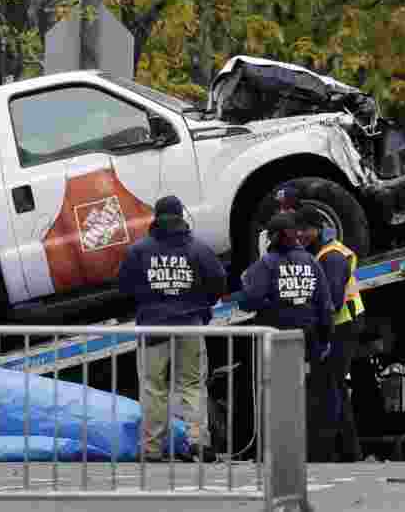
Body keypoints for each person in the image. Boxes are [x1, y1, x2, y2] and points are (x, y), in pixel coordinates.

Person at [118, 196, 228, 462]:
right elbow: (219, 281)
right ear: (182, 216)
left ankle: (152, 449)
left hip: (153, 329)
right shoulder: (198, 249)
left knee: (153, 387)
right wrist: (201, 305)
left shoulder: (139, 251)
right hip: (190, 325)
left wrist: (148, 302)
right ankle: (199, 441)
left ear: (156, 217)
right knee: (191, 385)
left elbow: (124, 287)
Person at [224, 212, 337, 461]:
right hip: (305, 340)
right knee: (302, 395)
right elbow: (325, 306)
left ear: (272, 237)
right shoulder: (311, 262)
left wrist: (248, 299)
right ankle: (302, 451)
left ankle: (274, 451)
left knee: (273, 395)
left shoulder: (266, 264)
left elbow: (250, 299)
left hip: (274, 339)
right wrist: (325, 339)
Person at [297, 206, 364, 462]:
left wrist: (319, 332)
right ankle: (348, 451)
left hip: (342, 326)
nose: (301, 235)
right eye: (297, 230)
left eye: (305, 230)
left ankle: (330, 450)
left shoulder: (332, 257)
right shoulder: (320, 251)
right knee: (333, 387)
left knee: (329, 387)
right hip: (338, 324)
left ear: (317, 229)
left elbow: (332, 302)